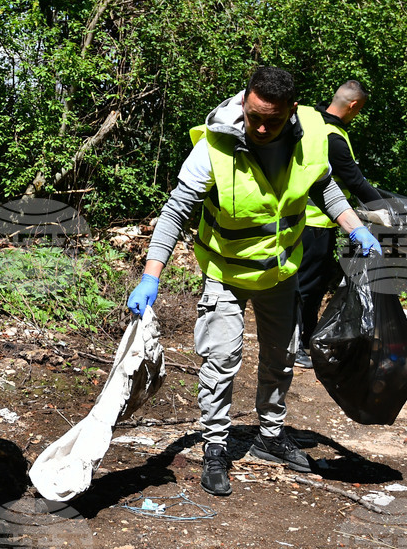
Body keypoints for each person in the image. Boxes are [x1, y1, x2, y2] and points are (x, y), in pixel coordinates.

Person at [126, 67, 381, 497]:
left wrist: (355, 226)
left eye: (273, 120)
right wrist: (150, 275)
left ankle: (270, 436)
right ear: (244, 102)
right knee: (221, 359)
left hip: (279, 273)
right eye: (254, 116)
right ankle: (215, 445)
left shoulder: (310, 141)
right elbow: (174, 212)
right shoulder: (214, 149)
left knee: (282, 357)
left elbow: (326, 188)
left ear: (292, 111)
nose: (261, 128)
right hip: (225, 273)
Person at [294, 80, 385, 368]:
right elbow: (354, 181)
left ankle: (305, 339)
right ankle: (293, 345)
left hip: (321, 222)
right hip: (313, 222)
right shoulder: (331, 136)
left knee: (316, 284)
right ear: (354, 106)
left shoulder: (318, 124)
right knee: (306, 287)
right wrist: (388, 208)